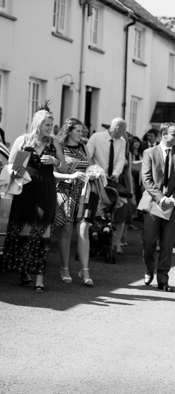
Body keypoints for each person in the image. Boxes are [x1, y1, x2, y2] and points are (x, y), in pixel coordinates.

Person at [4, 107, 67, 292]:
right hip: (26, 189)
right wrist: (18, 167)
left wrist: (54, 162)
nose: (50, 128)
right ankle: (24, 271)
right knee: (24, 231)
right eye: (47, 125)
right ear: (38, 125)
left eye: (52, 125)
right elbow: (11, 165)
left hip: (46, 190)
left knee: (43, 232)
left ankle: (40, 277)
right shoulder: (23, 140)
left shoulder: (54, 142)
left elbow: (63, 168)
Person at [141, 122, 175, 292]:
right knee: (149, 241)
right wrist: (161, 198)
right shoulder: (149, 153)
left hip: (173, 205)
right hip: (154, 203)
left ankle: (163, 278)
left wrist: (173, 200)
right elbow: (147, 179)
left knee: (167, 243)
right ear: (164, 135)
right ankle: (149, 268)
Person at [54, 118, 98, 286]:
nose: (82, 134)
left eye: (82, 131)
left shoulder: (83, 146)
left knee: (83, 229)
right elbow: (57, 170)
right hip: (65, 190)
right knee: (66, 230)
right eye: (78, 131)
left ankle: (84, 270)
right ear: (69, 131)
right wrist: (71, 172)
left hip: (84, 191)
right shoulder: (59, 146)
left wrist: (93, 172)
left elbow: (91, 165)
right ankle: (64, 268)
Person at [86, 118, 128, 254]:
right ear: (116, 128)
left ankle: (114, 240)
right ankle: (96, 233)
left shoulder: (122, 142)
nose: (124, 133)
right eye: (123, 130)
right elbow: (88, 155)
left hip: (111, 180)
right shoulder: (96, 137)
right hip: (96, 178)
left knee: (120, 204)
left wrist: (116, 173)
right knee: (95, 207)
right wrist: (96, 171)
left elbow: (121, 159)